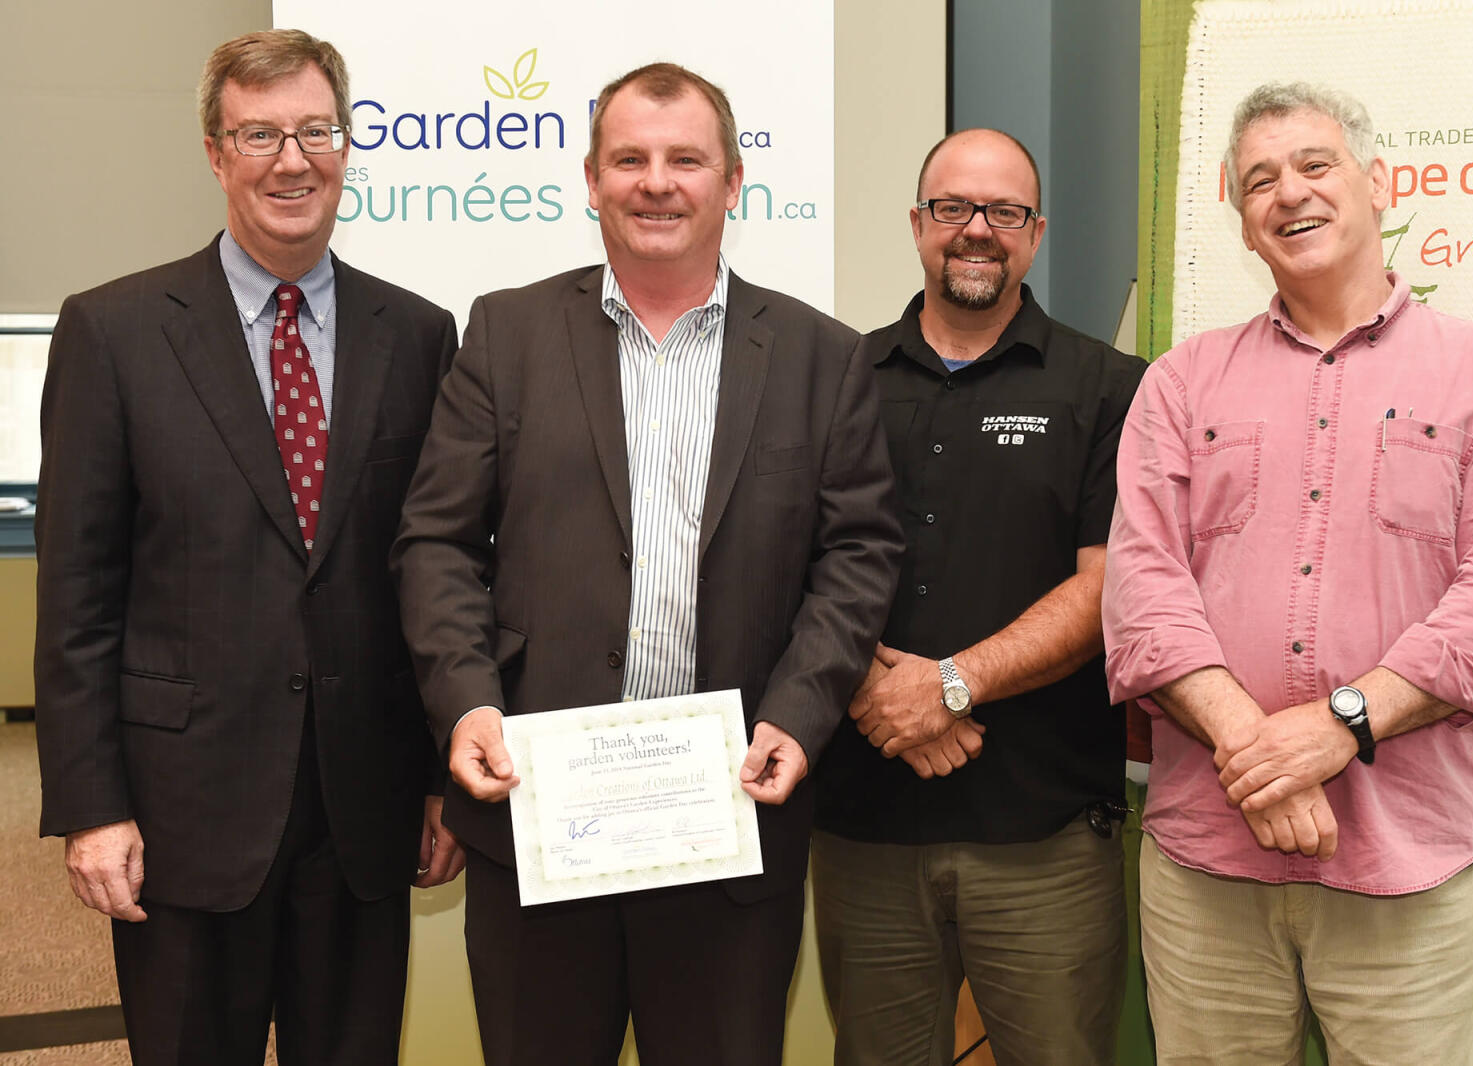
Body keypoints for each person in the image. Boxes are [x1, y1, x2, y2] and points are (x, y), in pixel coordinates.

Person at [390, 61, 901, 1066]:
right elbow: (435, 541)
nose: (655, 182)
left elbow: (857, 554)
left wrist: (797, 717)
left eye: (684, 160)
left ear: (732, 182)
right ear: (590, 180)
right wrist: (466, 704)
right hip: (538, 819)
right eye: (629, 158)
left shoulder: (818, 355)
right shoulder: (507, 331)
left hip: (729, 818)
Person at [1104, 82, 1473, 1065]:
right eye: (1258, 179)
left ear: (1378, 184)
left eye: (1314, 165)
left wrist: (1337, 726)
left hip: (1411, 877)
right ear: (1240, 220)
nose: (1287, 192)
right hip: (1206, 876)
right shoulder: (1179, 384)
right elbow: (1143, 591)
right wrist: (1255, 751)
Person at [32, 28, 462, 1066]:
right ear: (217, 153)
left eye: (316, 129)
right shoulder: (115, 330)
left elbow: (437, 571)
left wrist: (439, 775)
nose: (291, 159)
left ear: (347, 147)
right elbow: (78, 594)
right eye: (260, 133)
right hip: (184, 811)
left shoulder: (419, 334)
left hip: (361, 811)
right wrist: (92, 808)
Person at [809, 128, 1145, 1065]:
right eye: (954, 209)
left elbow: (1108, 583)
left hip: (1043, 833)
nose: (977, 232)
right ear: (919, 224)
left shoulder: (1109, 387)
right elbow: (785, 567)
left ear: (1035, 234)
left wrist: (950, 684)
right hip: (863, 824)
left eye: (1003, 212)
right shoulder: (833, 379)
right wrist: (880, 689)